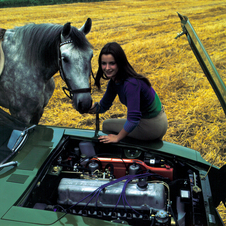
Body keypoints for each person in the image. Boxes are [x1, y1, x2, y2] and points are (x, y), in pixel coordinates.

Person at [89, 42, 167, 143]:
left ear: (120, 63)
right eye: (104, 63)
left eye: (112, 63)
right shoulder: (114, 82)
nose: (107, 68)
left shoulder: (131, 84)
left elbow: (133, 120)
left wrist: (117, 138)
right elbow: (103, 106)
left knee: (107, 126)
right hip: (154, 121)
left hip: (152, 125)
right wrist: (87, 107)